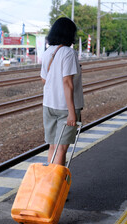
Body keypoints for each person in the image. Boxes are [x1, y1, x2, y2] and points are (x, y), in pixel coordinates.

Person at [40, 17, 84, 166]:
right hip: (65, 108)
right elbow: (67, 82)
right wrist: (72, 112)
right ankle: (57, 186)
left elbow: (44, 80)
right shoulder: (69, 53)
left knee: (52, 146)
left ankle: (51, 185)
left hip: (48, 105)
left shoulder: (47, 52)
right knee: (61, 149)